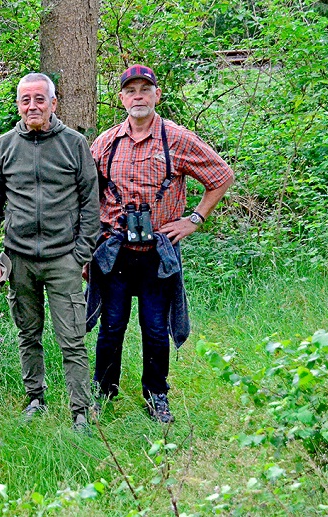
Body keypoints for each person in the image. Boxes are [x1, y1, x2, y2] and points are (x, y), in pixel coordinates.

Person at [88, 65, 234, 423]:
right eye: (131, 90)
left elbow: (221, 175)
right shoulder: (105, 142)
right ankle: (102, 394)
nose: (138, 96)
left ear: (157, 95)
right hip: (115, 251)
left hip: (158, 253)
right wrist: (87, 244)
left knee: (155, 328)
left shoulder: (177, 138)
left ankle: (156, 396)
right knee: (111, 325)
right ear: (122, 98)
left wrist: (194, 218)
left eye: (145, 89)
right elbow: (86, 192)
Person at [0, 73, 100, 432]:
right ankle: (35, 397)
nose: (32, 106)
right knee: (27, 333)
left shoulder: (74, 144)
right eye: (25, 100)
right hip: (19, 259)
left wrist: (80, 254)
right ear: (18, 105)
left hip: (64, 258)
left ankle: (81, 409)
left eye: (39, 99)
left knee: (73, 338)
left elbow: (90, 205)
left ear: (53, 103)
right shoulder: (4, 146)